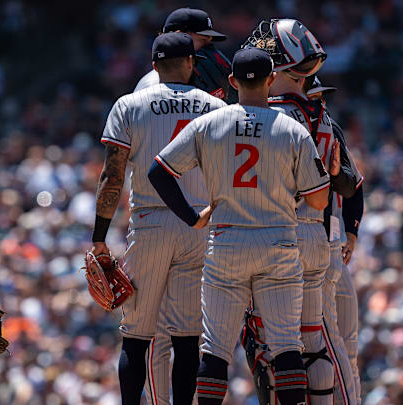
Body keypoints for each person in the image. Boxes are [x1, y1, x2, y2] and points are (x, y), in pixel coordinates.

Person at [149, 47, 331, 405]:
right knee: (286, 348)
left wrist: (192, 216)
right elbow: (319, 201)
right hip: (278, 243)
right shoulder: (292, 130)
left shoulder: (209, 123)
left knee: (215, 351)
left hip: (227, 242)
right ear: (270, 80)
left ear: (232, 82)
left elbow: (160, 172)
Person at [90, 32, 226, 405]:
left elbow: (112, 176)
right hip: (197, 223)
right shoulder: (213, 107)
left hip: (149, 222)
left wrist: (99, 237)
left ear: (153, 66)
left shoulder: (128, 104)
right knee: (186, 340)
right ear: (191, 63)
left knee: (136, 337)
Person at [243, 19, 360, 405]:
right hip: (317, 235)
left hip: (278, 232)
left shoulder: (266, 116)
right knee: (319, 340)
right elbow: (347, 182)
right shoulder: (321, 116)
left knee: (277, 344)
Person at [306, 78, 365, 404]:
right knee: (325, 345)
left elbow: (355, 187)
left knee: (346, 346)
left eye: (321, 96)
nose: (320, 102)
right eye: (314, 95)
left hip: (331, 241)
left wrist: (352, 233)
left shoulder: (329, 128)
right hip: (304, 246)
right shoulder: (287, 128)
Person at [135, 7, 238, 104]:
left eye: (210, 43)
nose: (209, 50)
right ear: (178, 36)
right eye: (203, 40)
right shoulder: (152, 85)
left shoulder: (190, 85)